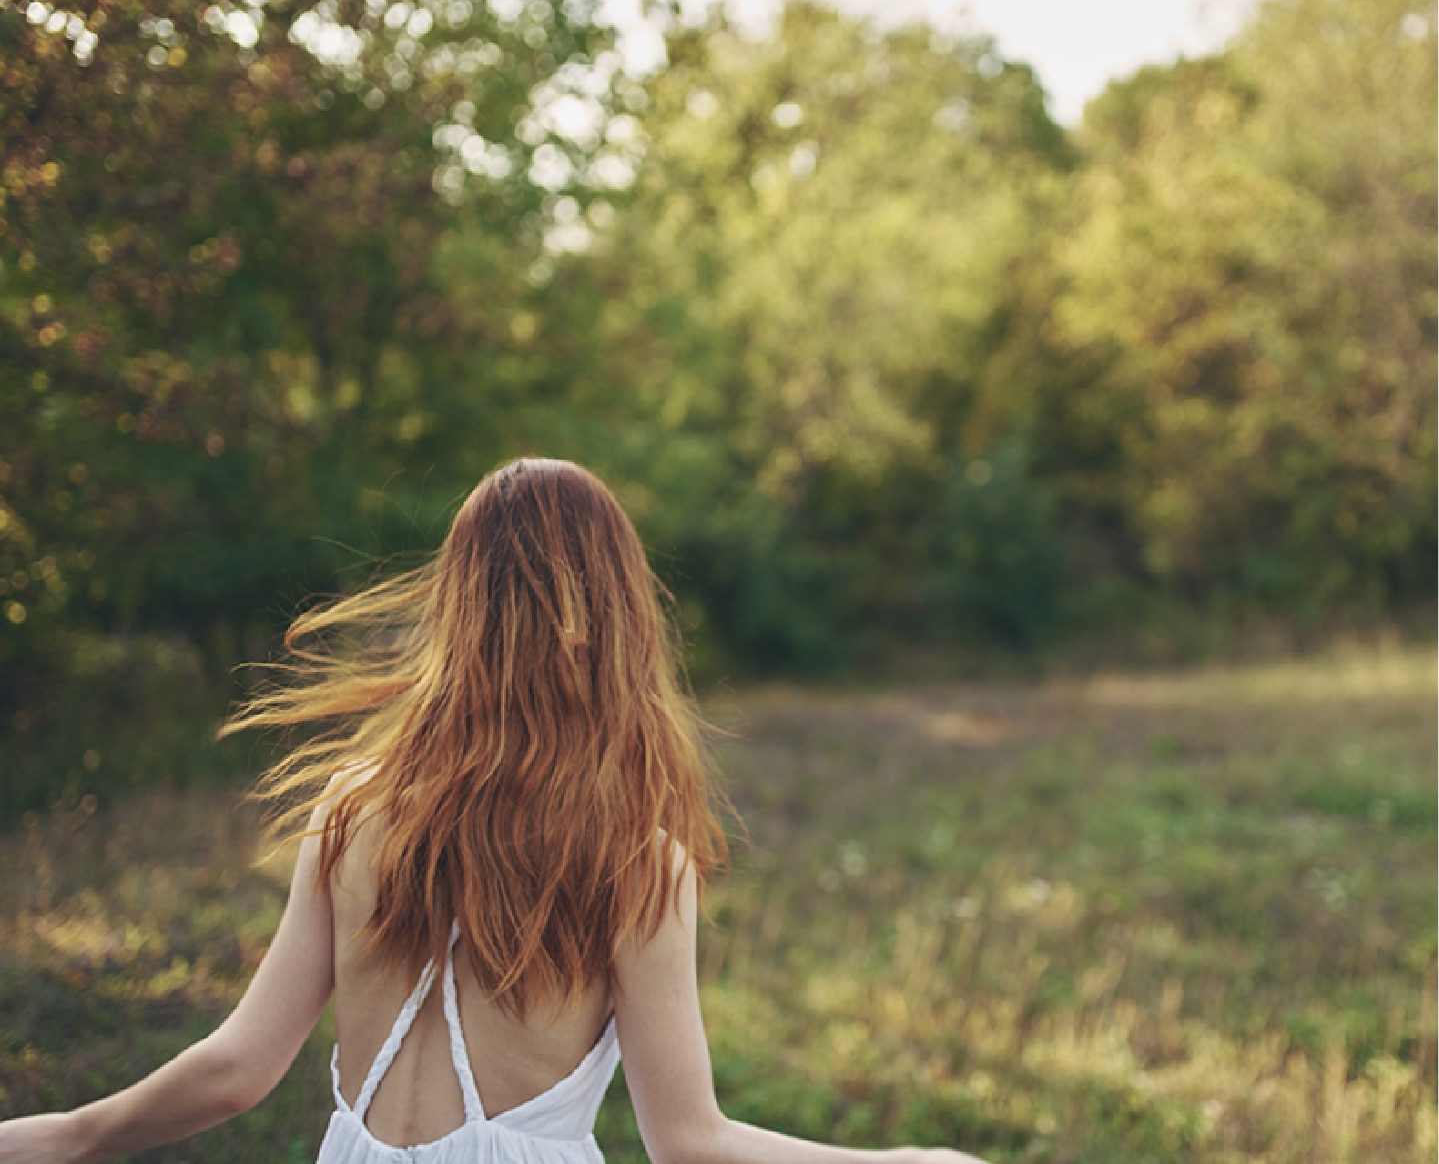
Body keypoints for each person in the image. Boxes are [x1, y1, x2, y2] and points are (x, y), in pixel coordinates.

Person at [0, 458, 987, 1164]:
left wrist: (65, 1132)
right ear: (619, 625)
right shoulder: (636, 862)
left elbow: (234, 1071)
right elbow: (689, 1141)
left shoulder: (352, 813)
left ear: (458, 606)